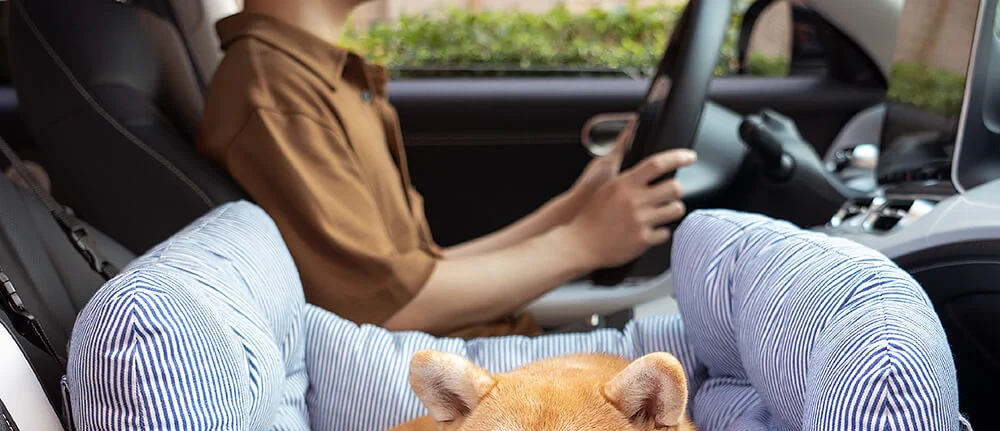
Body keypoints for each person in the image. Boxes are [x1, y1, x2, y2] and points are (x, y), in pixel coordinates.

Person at [198, 0, 693, 339]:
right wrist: (584, 243)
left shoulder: (319, 78)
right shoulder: (277, 92)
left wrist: (574, 209)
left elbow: (421, 272)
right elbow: (392, 308)